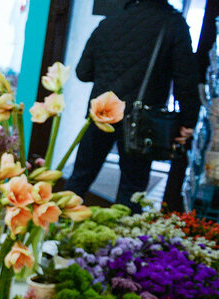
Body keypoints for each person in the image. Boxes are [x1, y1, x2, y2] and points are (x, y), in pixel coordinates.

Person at [66, 0, 199, 211]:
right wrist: (188, 121)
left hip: (101, 114)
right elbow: (186, 80)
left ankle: (52, 234)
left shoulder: (108, 23)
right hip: (141, 122)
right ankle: (120, 242)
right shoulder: (173, 24)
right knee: (132, 190)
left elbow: (83, 72)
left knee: (79, 178)